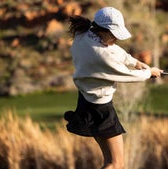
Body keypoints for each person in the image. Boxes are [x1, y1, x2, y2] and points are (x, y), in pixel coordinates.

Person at [64, 7, 162, 169]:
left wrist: (135, 62)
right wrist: (149, 73)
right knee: (116, 164)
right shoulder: (102, 55)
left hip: (86, 102)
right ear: (103, 30)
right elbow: (126, 75)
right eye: (114, 35)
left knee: (110, 162)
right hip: (102, 110)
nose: (116, 39)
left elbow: (111, 48)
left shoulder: (84, 35)